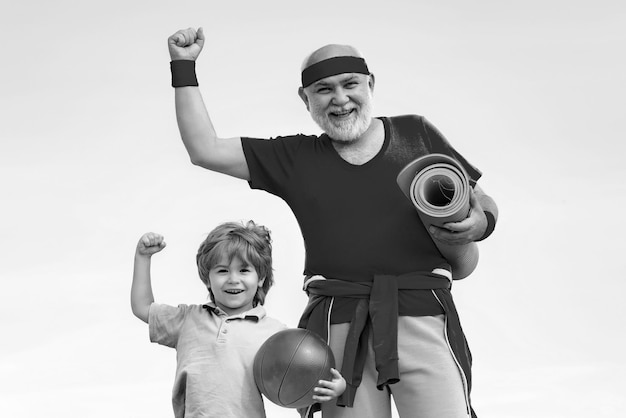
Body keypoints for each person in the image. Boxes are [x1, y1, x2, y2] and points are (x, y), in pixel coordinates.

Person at [166, 27, 499, 418]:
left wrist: (483, 222)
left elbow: (478, 197)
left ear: (370, 84)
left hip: (422, 312)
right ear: (305, 99)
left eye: (350, 84)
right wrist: (183, 66)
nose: (340, 99)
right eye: (323, 89)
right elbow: (205, 150)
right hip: (339, 324)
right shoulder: (296, 157)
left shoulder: (416, 132)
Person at [131, 220, 346, 418]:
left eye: (244, 270)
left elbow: (300, 385)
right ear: (208, 279)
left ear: (261, 277)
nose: (233, 280)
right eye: (223, 271)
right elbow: (142, 307)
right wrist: (143, 257)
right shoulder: (188, 319)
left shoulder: (276, 335)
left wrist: (335, 388)